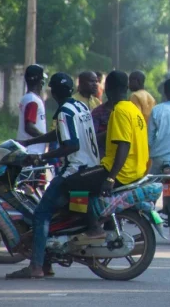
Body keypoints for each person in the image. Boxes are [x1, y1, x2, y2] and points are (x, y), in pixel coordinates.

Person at [6, 73, 100, 279]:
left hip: (74, 170)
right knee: (56, 214)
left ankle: (36, 266)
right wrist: (30, 142)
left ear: (54, 92)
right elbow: (62, 134)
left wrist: (41, 157)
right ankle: (47, 261)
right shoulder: (79, 106)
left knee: (41, 214)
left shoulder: (64, 111)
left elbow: (71, 145)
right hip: (90, 167)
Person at [62, 70, 149, 242]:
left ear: (108, 88)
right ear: (126, 88)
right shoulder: (133, 109)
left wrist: (110, 178)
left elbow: (124, 145)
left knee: (70, 183)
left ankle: (93, 227)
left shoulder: (119, 111)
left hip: (120, 171)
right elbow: (111, 136)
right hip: (136, 170)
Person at [17, 64, 48, 155]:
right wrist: (46, 138)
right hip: (32, 151)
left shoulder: (26, 98)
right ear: (40, 82)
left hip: (28, 150)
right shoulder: (33, 100)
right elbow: (29, 127)